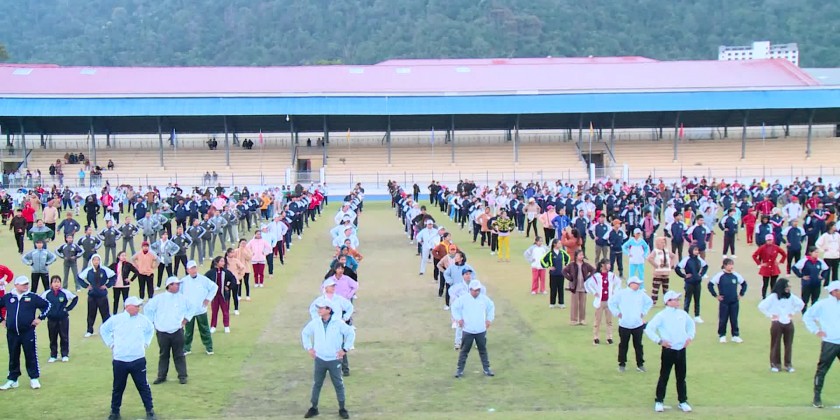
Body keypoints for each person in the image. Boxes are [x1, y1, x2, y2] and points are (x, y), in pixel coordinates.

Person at [100, 296, 156, 420]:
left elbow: (150, 329)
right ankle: (115, 412)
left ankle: (150, 410)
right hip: (120, 360)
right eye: (136, 306)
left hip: (138, 359)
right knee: (118, 387)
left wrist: (146, 343)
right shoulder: (116, 319)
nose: (138, 308)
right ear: (128, 307)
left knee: (143, 386)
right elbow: (104, 330)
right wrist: (111, 343)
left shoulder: (143, 320)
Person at [301, 297, 356, 420]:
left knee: (338, 384)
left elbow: (350, 333)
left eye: (321, 308)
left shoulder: (338, 323)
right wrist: (309, 348)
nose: (319, 310)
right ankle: (314, 408)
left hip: (334, 359)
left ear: (328, 310)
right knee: (317, 384)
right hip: (320, 359)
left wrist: (345, 349)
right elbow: (305, 333)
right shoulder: (316, 322)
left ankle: (342, 408)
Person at [644, 290, 696, 413]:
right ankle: (659, 401)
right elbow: (649, 328)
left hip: (681, 349)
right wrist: (659, 340)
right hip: (668, 350)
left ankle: (682, 401)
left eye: (678, 299)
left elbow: (691, 325)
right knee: (664, 376)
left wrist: (690, 337)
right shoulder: (661, 315)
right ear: (668, 302)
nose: (678, 301)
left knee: (681, 377)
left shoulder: (682, 314)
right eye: (675, 299)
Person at [0, 276, 51, 390]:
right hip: (12, 333)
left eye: (27, 284)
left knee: (30, 354)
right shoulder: (8, 297)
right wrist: (1, 319)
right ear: (16, 285)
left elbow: (48, 305)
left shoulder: (32, 297)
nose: (26, 286)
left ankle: (34, 378)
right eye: (23, 284)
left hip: (27, 332)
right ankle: (13, 379)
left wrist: (40, 318)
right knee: (13, 355)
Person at [144, 276, 192, 385]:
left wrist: (186, 319)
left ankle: (182, 376)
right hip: (162, 331)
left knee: (179, 354)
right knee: (164, 354)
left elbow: (192, 308)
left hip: (177, 330)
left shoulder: (182, 298)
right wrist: (152, 322)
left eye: (178, 284)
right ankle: (161, 376)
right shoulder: (159, 298)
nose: (178, 286)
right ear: (169, 286)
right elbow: (148, 309)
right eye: (176, 284)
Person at [802, 280, 840, 408]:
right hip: (830, 342)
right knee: (822, 370)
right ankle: (817, 398)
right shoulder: (823, 304)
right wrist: (816, 330)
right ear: (834, 292)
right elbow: (807, 316)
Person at [758, 278, 804, 372]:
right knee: (775, 344)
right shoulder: (773, 297)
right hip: (777, 323)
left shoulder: (791, 296)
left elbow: (801, 304)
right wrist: (770, 315)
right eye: (787, 286)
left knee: (788, 345)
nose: (789, 288)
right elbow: (761, 306)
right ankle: (775, 365)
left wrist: (793, 312)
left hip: (788, 323)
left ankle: (788, 365)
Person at [452, 280, 495, 378]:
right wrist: (459, 319)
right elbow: (454, 307)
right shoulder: (463, 299)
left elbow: (491, 307)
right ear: (470, 290)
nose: (477, 292)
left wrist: (489, 319)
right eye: (475, 290)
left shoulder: (484, 299)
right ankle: (459, 370)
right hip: (468, 330)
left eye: (478, 290)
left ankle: (487, 369)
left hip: (481, 330)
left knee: (483, 350)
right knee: (464, 351)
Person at [609, 277, 653, 372]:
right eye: (637, 283)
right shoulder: (621, 293)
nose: (639, 285)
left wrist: (643, 312)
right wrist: (617, 313)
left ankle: (640, 364)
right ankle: (622, 364)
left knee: (638, 345)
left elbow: (649, 302)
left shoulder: (641, 294)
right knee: (623, 345)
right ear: (631, 284)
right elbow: (611, 303)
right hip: (624, 324)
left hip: (637, 324)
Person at [179, 261, 217, 355]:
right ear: (187, 270)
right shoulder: (183, 281)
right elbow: (178, 295)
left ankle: (209, 348)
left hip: (201, 310)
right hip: (188, 312)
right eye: (191, 268)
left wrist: (208, 299)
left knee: (204, 329)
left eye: (195, 268)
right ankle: (186, 348)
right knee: (188, 331)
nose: (194, 270)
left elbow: (214, 287)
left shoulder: (203, 279)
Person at [708, 258, 747, 343]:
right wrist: (716, 295)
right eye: (729, 264)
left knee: (734, 319)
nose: (731, 266)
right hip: (724, 302)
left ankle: (735, 335)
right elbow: (710, 285)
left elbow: (744, 284)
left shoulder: (736, 275)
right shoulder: (720, 275)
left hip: (734, 301)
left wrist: (741, 294)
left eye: (732, 264)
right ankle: (722, 335)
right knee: (723, 319)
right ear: (725, 265)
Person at [40, 275, 78, 363]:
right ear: (51, 284)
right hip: (51, 319)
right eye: (54, 282)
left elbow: (75, 298)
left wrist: (68, 308)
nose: (56, 284)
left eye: (58, 282)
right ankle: (53, 355)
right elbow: (39, 302)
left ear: (60, 283)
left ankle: (64, 355)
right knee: (52, 337)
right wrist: (46, 312)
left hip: (63, 319)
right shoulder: (47, 293)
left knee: (64, 337)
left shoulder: (65, 292)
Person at [78, 254, 116, 337]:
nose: (96, 262)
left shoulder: (104, 270)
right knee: (91, 314)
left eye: (97, 260)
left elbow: (113, 276)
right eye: (94, 260)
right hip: (92, 296)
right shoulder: (88, 270)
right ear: (92, 261)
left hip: (102, 295)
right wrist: (86, 286)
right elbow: (79, 278)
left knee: (105, 314)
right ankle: (89, 330)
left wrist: (107, 285)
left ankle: (108, 330)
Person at [585, 259, 620, 345]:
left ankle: (609, 337)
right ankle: (596, 337)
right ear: (602, 265)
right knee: (598, 320)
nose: (609, 266)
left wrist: (614, 291)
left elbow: (618, 282)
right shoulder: (597, 276)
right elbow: (588, 284)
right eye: (607, 264)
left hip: (609, 301)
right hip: (600, 301)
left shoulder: (611, 275)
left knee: (609, 321)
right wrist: (594, 292)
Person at [675, 245, 708, 323]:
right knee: (688, 299)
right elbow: (677, 268)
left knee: (697, 299)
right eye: (695, 250)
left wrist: (701, 274)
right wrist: (684, 275)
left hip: (697, 282)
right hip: (689, 283)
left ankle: (697, 316)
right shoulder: (686, 259)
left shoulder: (699, 259)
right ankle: (685, 315)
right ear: (691, 250)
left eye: (697, 250)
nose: (697, 252)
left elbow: (705, 266)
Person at [793, 246, 830, 312]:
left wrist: (822, 276)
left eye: (817, 252)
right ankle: (804, 313)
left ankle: (813, 314)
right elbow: (794, 268)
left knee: (815, 300)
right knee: (805, 300)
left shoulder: (819, 261)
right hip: (807, 284)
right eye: (815, 252)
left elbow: (826, 269)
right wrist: (801, 276)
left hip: (817, 284)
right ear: (810, 253)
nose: (817, 254)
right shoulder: (804, 260)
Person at [562, 249, 594, 326]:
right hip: (575, 287)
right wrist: (570, 278)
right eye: (580, 255)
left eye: (582, 255)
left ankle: (582, 319)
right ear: (576, 256)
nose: (582, 256)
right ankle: (573, 320)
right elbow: (564, 271)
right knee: (574, 304)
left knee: (582, 304)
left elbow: (594, 270)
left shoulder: (586, 265)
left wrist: (588, 278)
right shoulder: (572, 265)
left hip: (583, 287)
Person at [206, 256, 235, 334]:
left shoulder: (226, 272)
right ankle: (213, 326)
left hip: (224, 295)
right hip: (214, 296)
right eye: (221, 261)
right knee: (214, 311)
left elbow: (233, 279)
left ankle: (226, 326)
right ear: (217, 262)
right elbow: (205, 281)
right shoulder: (211, 272)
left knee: (225, 311)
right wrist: (209, 290)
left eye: (223, 261)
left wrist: (229, 287)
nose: (223, 263)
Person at [753, 234, 787, 299]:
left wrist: (780, 262)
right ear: (766, 240)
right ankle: (764, 297)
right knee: (765, 284)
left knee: (773, 284)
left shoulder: (776, 247)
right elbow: (754, 255)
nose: (769, 241)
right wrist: (760, 263)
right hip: (766, 268)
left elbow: (784, 254)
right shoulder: (762, 247)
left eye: (770, 240)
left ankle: (772, 297)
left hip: (774, 268)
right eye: (768, 240)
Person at [542, 238, 570, 309]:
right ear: (554, 244)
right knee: (553, 289)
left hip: (561, 274)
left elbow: (568, 258)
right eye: (559, 243)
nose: (560, 244)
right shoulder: (550, 253)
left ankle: (561, 303)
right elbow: (542, 260)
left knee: (561, 288)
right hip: (553, 274)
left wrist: (566, 265)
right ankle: (552, 303)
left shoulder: (562, 252)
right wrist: (548, 267)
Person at [648, 236, 677, 305]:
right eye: (661, 242)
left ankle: (667, 302)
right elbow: (649, 258)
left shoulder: (666, 251)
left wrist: (670, 265)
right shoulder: (655, 251)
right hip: (658, 274)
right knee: (655, 289)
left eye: (664, 243)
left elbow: (673, 256)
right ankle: (653, 302)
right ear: (657, 243)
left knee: (666, 289)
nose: (663, 244)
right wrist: (656, 265)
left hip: (666, 273)